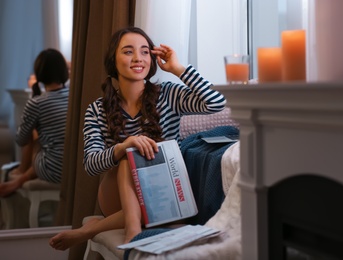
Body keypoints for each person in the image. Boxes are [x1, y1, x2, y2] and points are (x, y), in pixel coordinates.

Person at [49, 26, 226, 251]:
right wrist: (123, 147)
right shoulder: (97, 110)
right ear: (113, 60)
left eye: (144, 51)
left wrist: (178, 69)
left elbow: (216, 103)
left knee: (144, 161)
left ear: (152, 60)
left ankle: (91, 229)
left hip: (165, 191)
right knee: (131, 155)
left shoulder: (168, 94)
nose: (138, 58)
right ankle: (133, 231)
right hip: (117, 197)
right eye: (128, 51)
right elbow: (91, 164)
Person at [0, 49, 69, 197]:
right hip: (75, 166)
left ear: (40, 73)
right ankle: (20, 178)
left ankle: (20, 174)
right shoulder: (74, 95)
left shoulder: (37, 103)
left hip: (53, 170)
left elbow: (21, 139)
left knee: (33, 134)